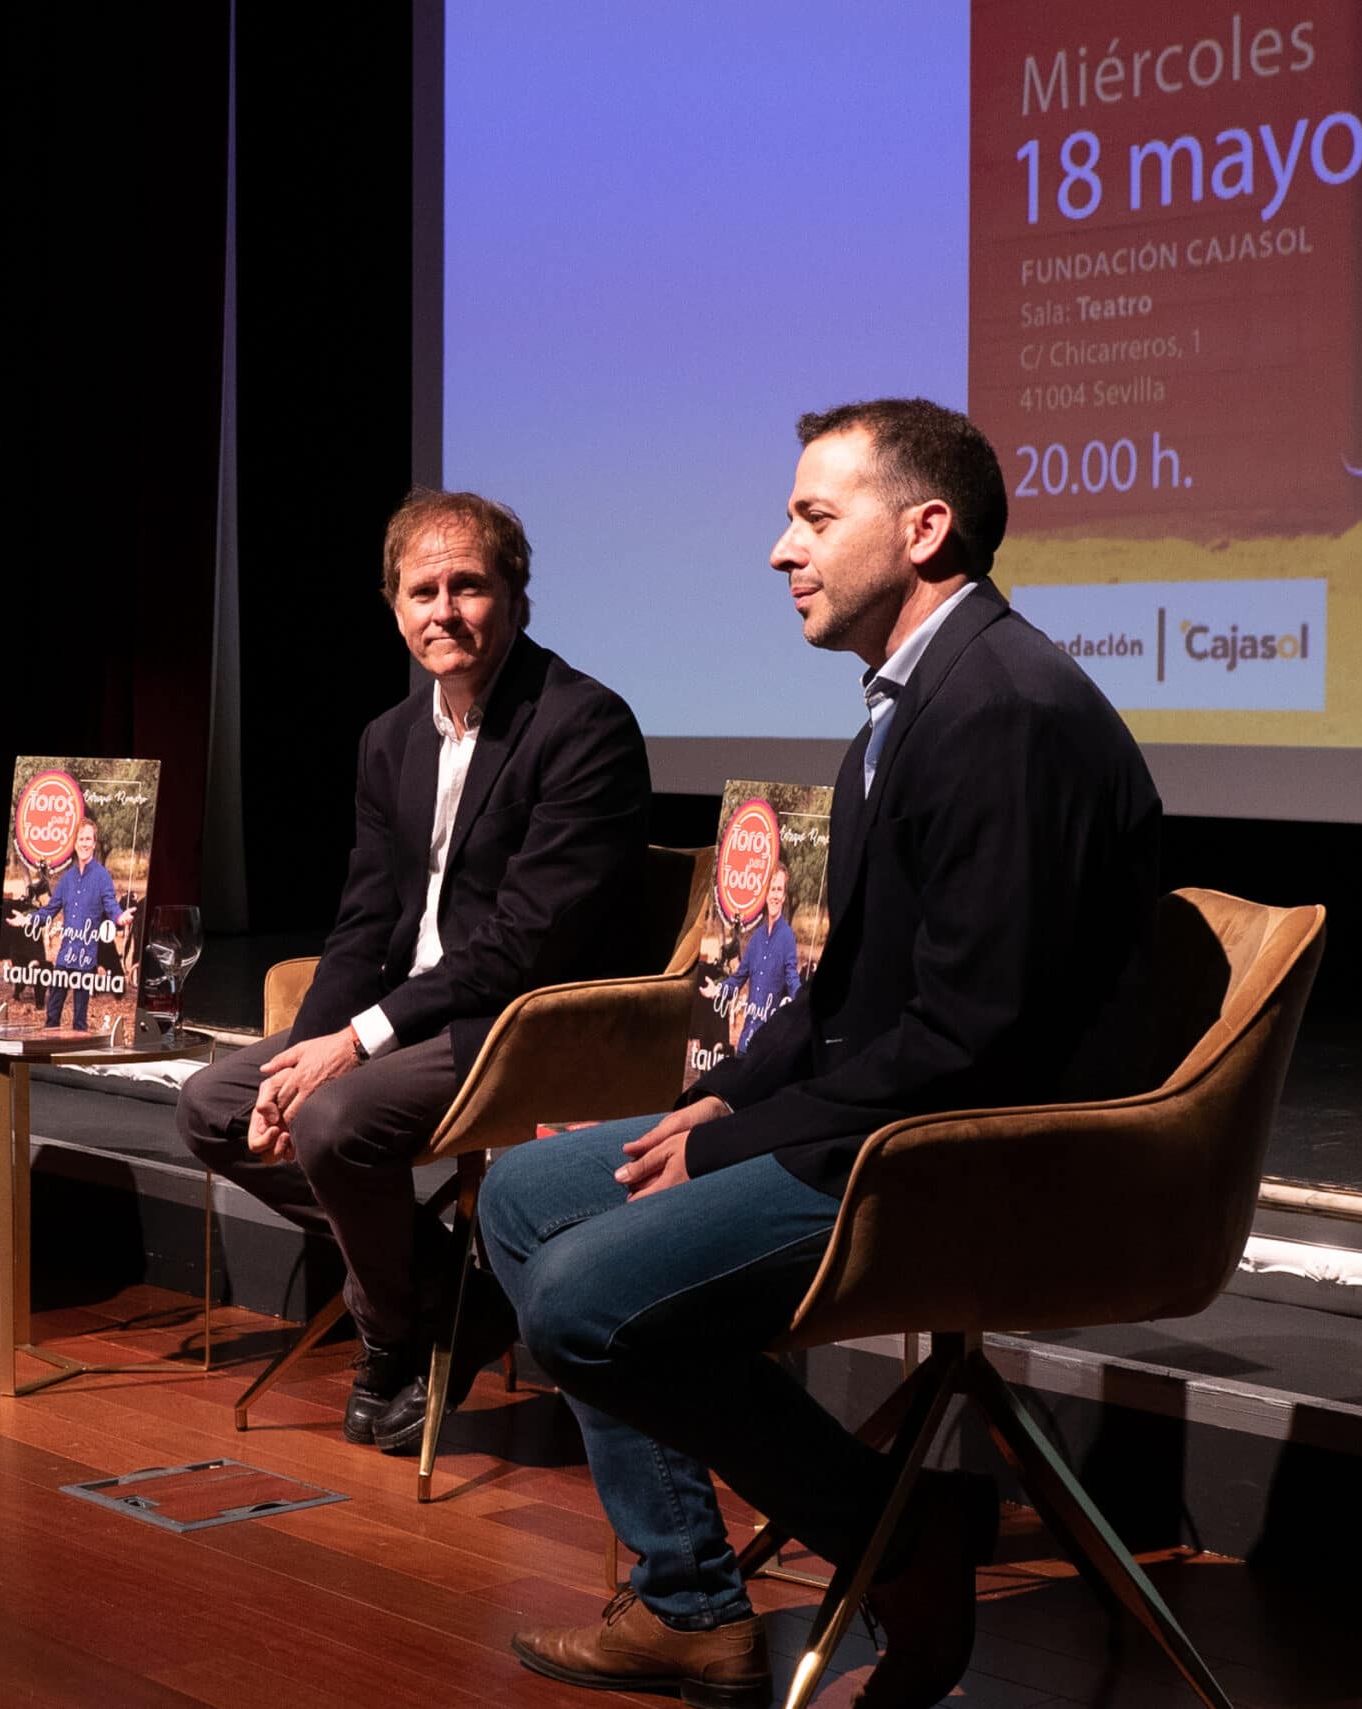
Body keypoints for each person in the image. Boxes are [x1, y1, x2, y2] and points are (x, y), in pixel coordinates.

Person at [485, 400, 1161, 1709]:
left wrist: (736, 1144)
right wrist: (718, 1100)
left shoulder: (1003, 711)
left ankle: (899, 1533)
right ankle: (691, 1604)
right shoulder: (909, 707)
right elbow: (851, 994)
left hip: (973, 1155)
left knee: (578, 1296)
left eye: (813, 515)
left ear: (924, 529)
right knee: (521, 1196)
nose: (778, 549)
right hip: (891, 1116)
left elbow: (972, 1038)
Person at [178, 487, 652, 1452]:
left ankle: (390, 1329)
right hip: (410, 1016)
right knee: (213, 1104)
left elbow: (522, 943)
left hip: (517, 1025)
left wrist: (353, 1046)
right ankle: (453, 1299)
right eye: (422, 591)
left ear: (514, 594)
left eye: (467, 586)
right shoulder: (389, 738)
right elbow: (364, 922)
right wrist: (311, 1045)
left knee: (333, 1119)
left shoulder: (584, 724)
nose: (445, 611)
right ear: (394, 608)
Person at [13, 820, 130, 1031]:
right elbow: (50, 910)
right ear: (75, 844)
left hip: (86, 959)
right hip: (64, 956)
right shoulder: (67, 879)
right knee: (52, 1013)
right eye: (81, 839)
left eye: (88, 839)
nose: (84, 843)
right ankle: (49, 1047)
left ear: (94, 843)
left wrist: (120, 918)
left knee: (79, 1019)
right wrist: (27, 919)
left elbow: (111, 905)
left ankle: (77, 1049)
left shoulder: (102, 876)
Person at [712, 857, 799, 1052]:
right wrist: (718, 990)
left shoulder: (787, 937)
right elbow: (738, 978)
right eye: (772, 889)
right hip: (746, 1041)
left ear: (784, 896)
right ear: (765, 894)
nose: (775, 895)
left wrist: (804, 999)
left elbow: (792, 978)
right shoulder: (757, 938)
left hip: (768, 1043)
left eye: (779, 890)